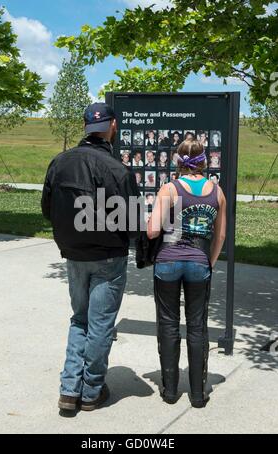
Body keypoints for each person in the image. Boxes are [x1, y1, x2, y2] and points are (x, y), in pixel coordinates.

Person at [42, 102, 140, 413]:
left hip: (73, 253)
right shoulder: (117, 169)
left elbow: (47, 209)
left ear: (86, 127)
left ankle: (69, 389)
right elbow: (134, 221)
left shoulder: (59, 162)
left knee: (79, 319)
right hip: (108, 256)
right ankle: (91, 390)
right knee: (100, 324)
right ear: (112, 127)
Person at [147, 139, 226, 408]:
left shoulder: (169, 189)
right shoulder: (217, 192)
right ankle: (197, 394)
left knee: (168, 324)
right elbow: (221, 235)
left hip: (168, 261)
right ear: (204, 161)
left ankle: (170, 391)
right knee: (197, 325)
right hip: (199, 262)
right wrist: (210, 261)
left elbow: (153, 231)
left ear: (178, 161)